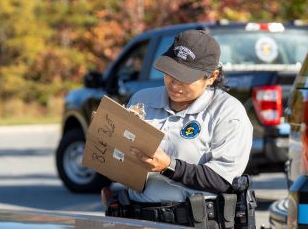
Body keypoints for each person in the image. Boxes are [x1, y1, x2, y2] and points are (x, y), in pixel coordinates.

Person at [104, 29, 253, 205]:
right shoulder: (142, 100)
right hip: (139, 219)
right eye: (170, 72)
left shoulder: (227, 112)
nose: (174, 83)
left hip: (195, 226)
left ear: (212, 76)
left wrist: (169, 166)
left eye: (185, 77)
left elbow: (222, 180)